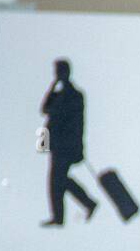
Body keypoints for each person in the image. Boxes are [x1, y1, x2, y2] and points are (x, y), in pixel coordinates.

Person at [40, 59, 98, 227]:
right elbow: (43, 108)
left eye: (59, 72)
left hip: (67, 145)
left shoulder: (75, 95)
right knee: (59, 180)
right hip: (57, 144)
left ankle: (63, 216)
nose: (57, 75)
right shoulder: (59, 94)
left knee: (57, 180)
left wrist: (78, 146)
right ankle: (85, 205)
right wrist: (53, 86)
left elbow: (77, 123)